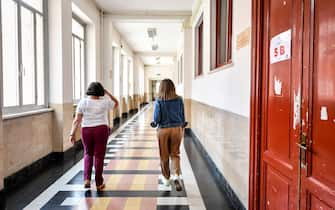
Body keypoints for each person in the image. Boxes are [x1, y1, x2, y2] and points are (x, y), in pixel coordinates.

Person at [69, 82, 118, 191]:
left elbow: (77, 120)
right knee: (99, 156)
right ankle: (99, 183)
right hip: (101, 130)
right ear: (100, 91)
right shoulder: (105, 102)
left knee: (88, 153)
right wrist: (108, 93)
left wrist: (72, 133)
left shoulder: (83, 102)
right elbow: (116, 103)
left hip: (86, 130)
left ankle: (86, 179)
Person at [151, 79, 187, 191]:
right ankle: (176, 175)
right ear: (173, 87)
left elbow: (157, 118)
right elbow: (182, 115)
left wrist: (154, 123)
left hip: (163, 130)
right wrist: (182, 125)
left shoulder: (159, 100)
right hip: (177, 129)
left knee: (164, 155)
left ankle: (166, 179)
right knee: (175, 154)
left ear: (161, 88)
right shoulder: (179, 99)